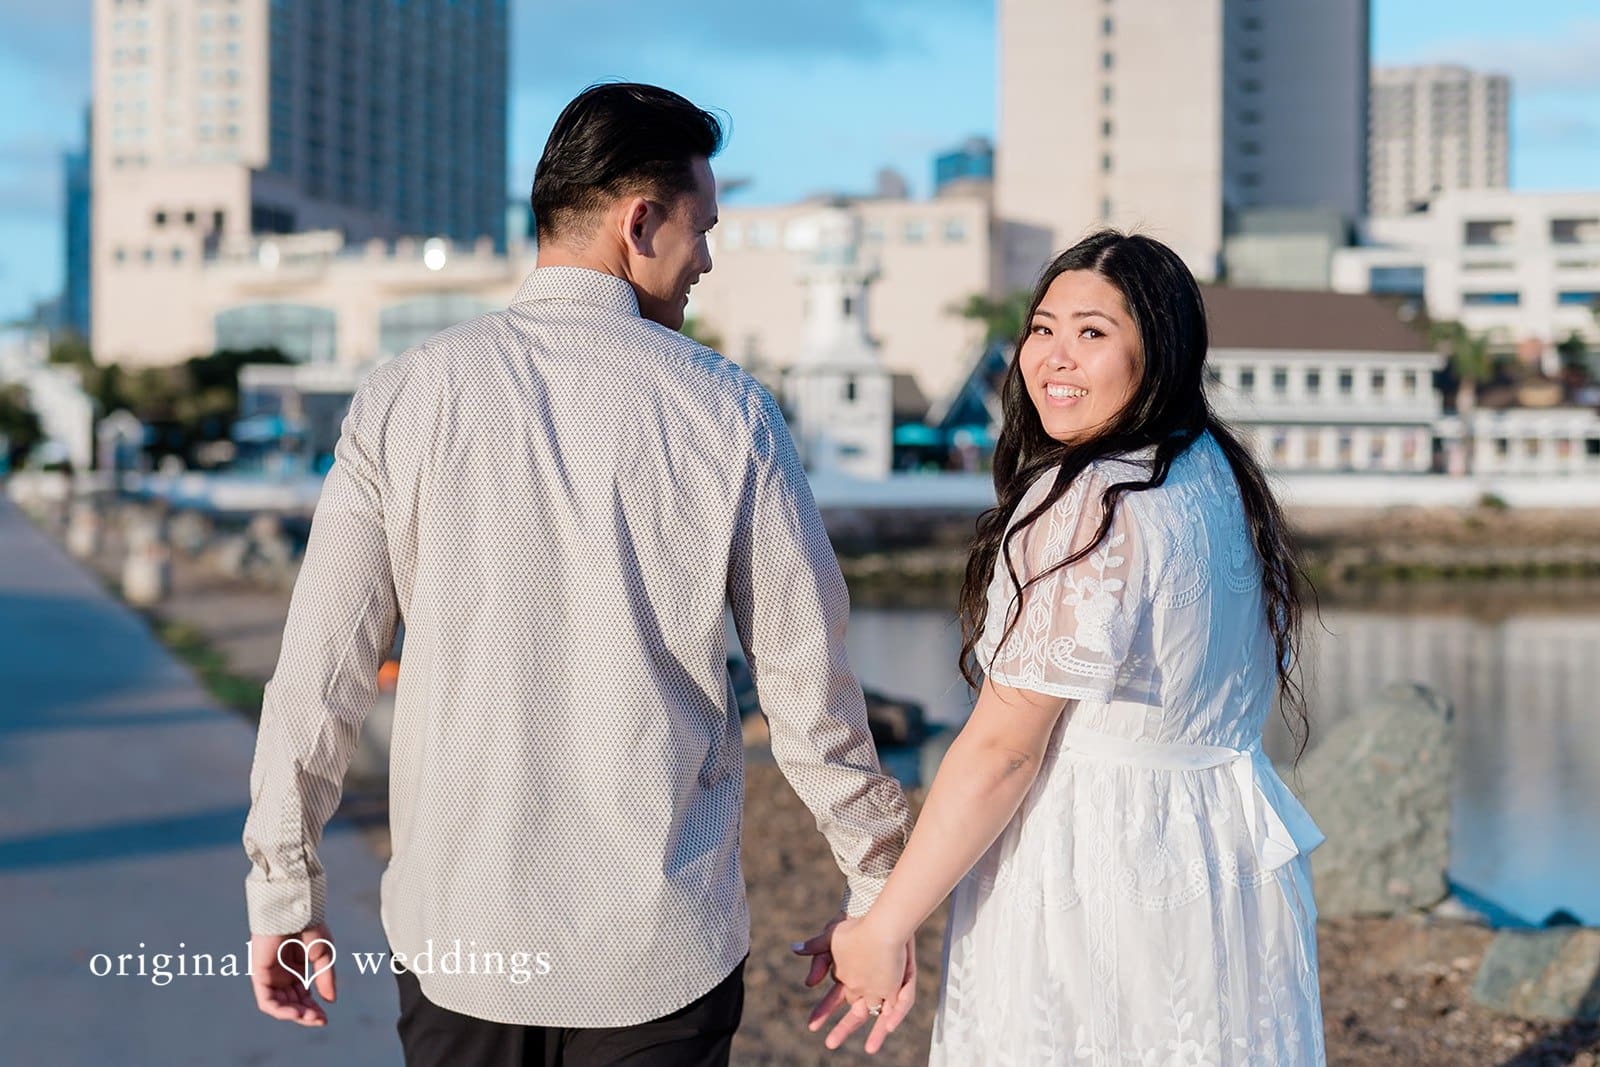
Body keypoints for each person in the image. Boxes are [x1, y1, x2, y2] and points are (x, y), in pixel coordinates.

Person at [241, 81, 915, 1067]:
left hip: (456, 943)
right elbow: (808, 686)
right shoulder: (727, 411)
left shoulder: (403, 394)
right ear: (639, 221)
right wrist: (879, 886)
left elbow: (319, 675)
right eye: (701, 228)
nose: (708, 260)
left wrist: (283, 892)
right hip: (657, 948)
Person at [815, 231, 1327, 1063]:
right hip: (1220, 859)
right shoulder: (1212, 472)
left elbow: (1003, 751)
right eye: (1043, 328)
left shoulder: (1091, 496)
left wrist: (886, 925)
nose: (1054, 357)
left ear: (1156, 349)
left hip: (1099, 863)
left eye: (1092, 333)